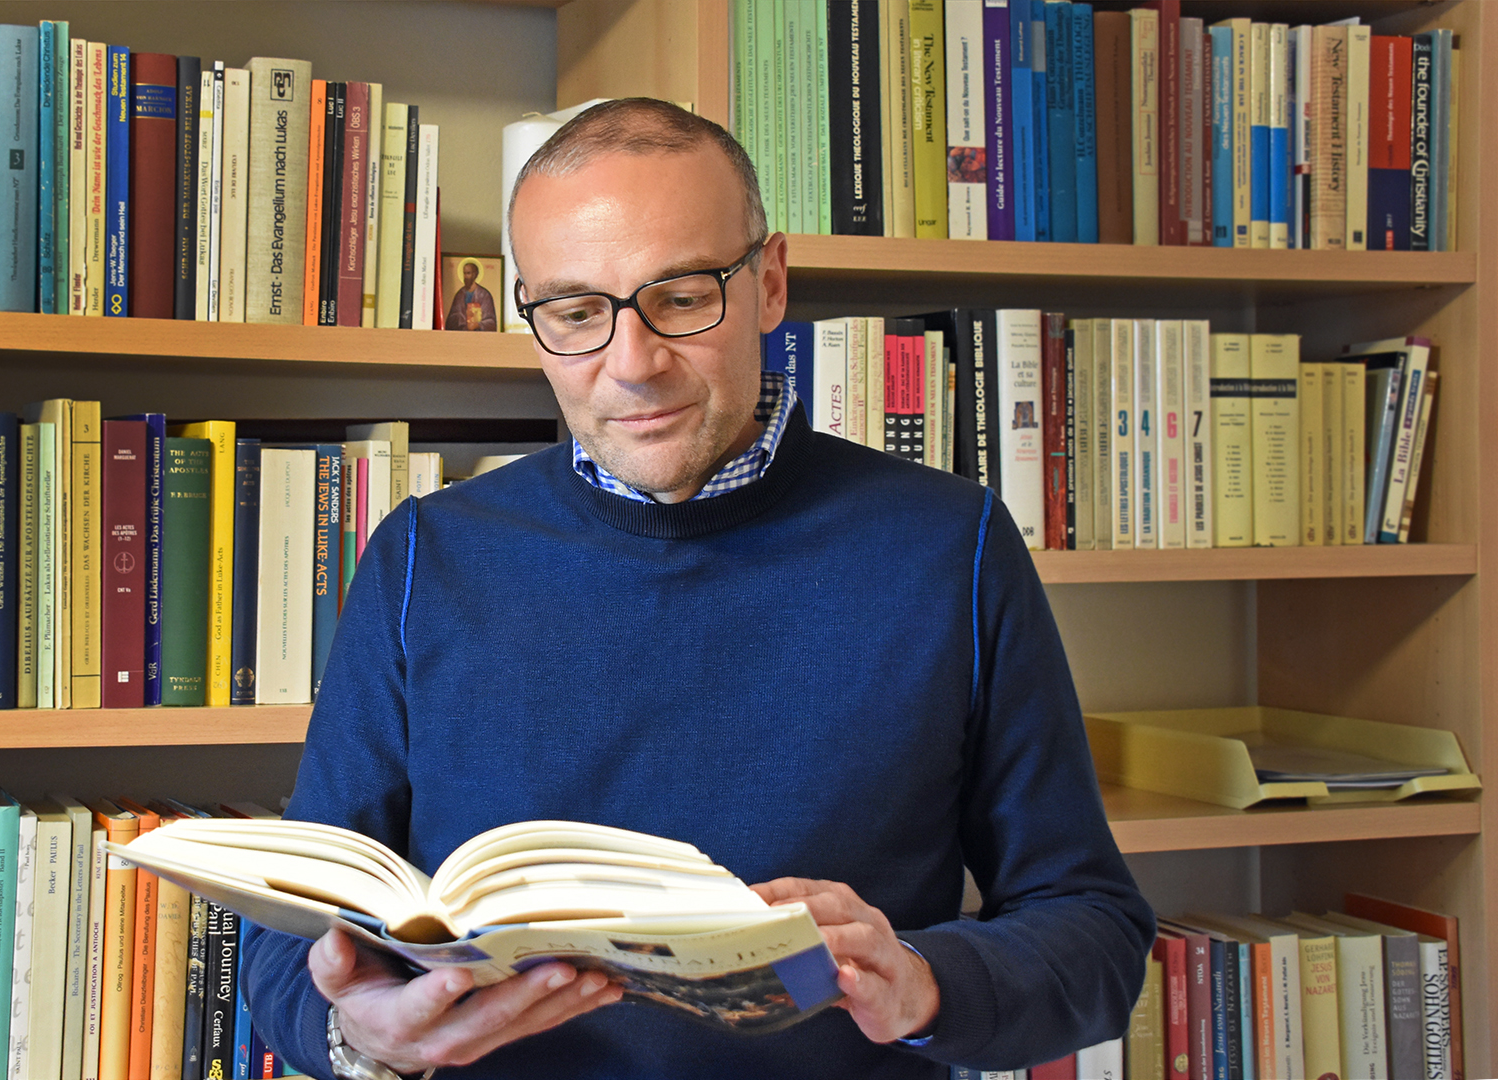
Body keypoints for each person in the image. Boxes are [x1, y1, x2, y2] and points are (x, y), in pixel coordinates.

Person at [241, 97, 1155, 1080]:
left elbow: (1094, 929)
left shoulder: (952, 544)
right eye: (577, 312)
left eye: (679, 297)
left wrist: (925, 981)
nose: (632, 365)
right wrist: (355, 1037)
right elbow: (294, 936)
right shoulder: (426, 556)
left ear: (768, 283)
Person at [444, 259, 499, 331]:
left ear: (475, 274)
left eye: (468, 273)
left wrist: (478, 324)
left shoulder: (484, 295)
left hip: (480, 337)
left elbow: (491, 322)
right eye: (464, 273)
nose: (466, 276)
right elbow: (451, 320)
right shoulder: (459, 295)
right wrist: (462, 318)